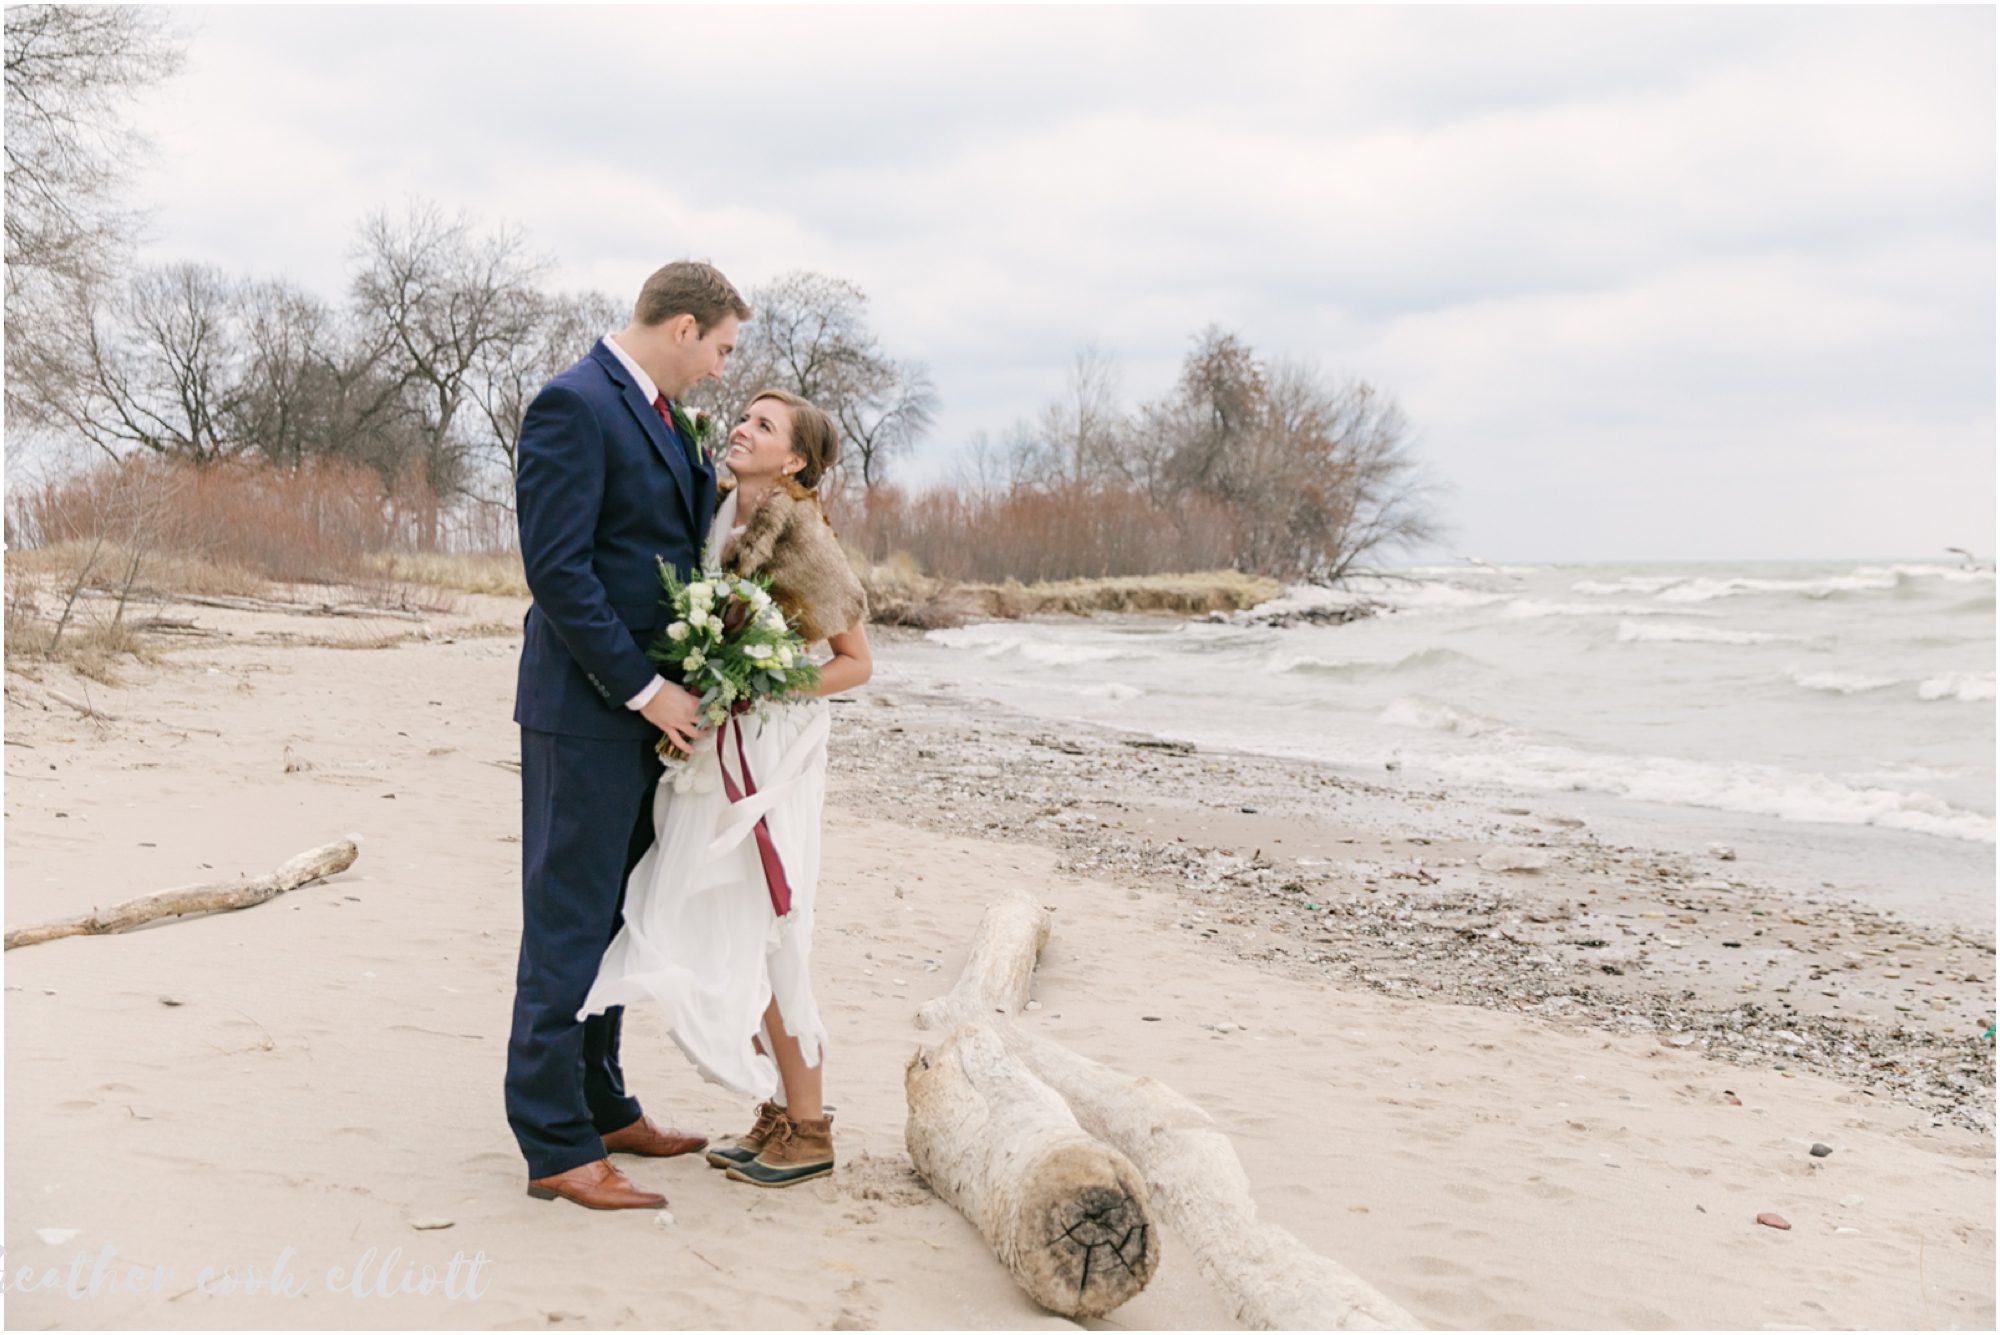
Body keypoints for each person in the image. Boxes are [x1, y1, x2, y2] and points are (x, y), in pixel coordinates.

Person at [506, 261, 751, 1211]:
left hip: (648, 721)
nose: (725, 371)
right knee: (568, 924)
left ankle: (603, 1104)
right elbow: (559, 571)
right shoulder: (573, 405)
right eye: (723, 348)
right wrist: (649, 690)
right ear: (683, 327)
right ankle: (555, 1142)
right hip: (586, 711)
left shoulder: (660, 414)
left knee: (621, 919)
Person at [581, 388, 870, 1190]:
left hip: (766, 757)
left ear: (798, 460)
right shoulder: (718, 513)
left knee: (773, 927)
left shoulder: (803, 532)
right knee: (720, 921)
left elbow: (856, 660)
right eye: (744, 416)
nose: (743, 428)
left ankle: (810, 1126)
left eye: (765, 426)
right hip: (713, 748)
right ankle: (773, 1109)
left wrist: (764, 681)